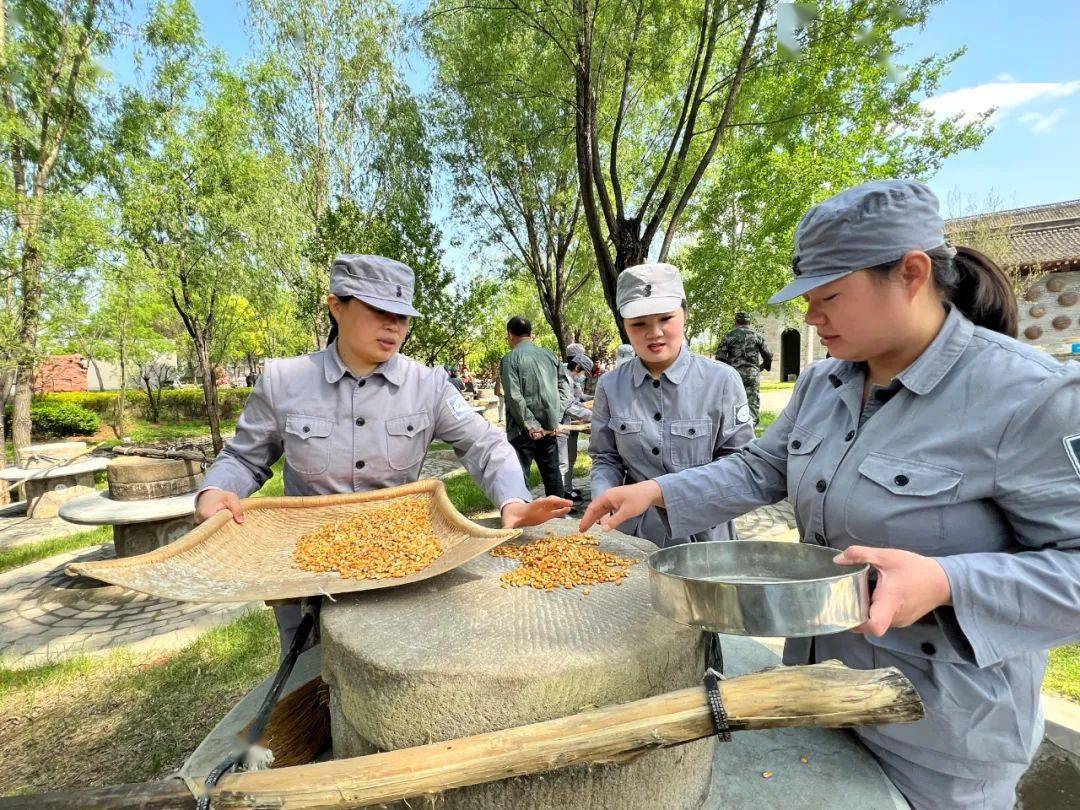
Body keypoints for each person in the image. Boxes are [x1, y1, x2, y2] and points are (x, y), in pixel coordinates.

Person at [580, 180, 1080, 809]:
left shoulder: (1030, 397)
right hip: (817, 687)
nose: (812, 318)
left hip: (940, 733)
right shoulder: (825, 382)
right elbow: (761, 469)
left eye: (830, 298)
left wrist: (949, 581)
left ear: (912, 274)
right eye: (808, 299)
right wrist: (653, 491)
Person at [196, 255, 572, 656]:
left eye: (403, 316)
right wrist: (215, 490)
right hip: (309, 573)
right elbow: (243, 457)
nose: (394, 325)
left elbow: (487, 445)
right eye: (379, 310)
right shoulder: (283, 382)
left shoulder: (428, 386)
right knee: (308, 680)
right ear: (336, 306)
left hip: (399, 568)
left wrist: (513, 501)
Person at [589, 262, 755, 547]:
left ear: (685, 315)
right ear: (624, 326)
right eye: (639, 323)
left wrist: (668, 494)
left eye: (665, 318)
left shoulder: (723, 381)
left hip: (706, 540)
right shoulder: (609, 386)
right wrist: (603, 497)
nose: (654, 333)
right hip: (637, 540)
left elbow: (740, 466)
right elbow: (606, 458)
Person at [500, 316, 565, 497]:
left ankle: (522, 520)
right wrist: (556, 418)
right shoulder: (549, 355)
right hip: (549, 428)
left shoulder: (509, 359)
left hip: (522, 431)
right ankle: (561, 519)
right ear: (531, 334)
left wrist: (531, 424)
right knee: (553, 476)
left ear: (510, 335)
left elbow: (514, 397)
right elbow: (564, 388)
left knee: (519, 479)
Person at [715, 311, 772, 425]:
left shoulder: (729, 336)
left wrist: (728, 370)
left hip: (734, 376)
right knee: (752, 401)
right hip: (752, 374)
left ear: (735, 321)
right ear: (749, 322)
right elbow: (768, 355)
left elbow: (720, 357)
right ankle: (752, 428)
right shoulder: (757, 336)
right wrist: (763, 367)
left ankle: (734, 426)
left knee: (733, 401)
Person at [557, 348, 594, 500]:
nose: (583, 376)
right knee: (562, 464)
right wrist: (594, 416)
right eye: (584, 372)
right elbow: (568, 406)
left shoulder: (570, 379)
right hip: (560, 426)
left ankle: (566, 490)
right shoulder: (564, 378)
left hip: (567, 424)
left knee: (568, 459)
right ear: (578, 367)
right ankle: (560, 498)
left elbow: (575, 401)